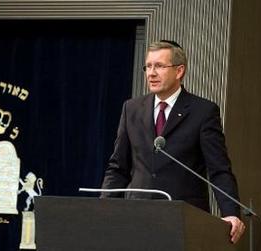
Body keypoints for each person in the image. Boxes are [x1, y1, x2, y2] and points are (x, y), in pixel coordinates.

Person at [101, 40, 245, 243]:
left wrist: (231, 212)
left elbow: (219, 169)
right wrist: (102, 209)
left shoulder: (203, 112)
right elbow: (118, 167)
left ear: (179, 71)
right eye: (148, 66)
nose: (151, 73)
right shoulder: (131, 108)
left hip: (184, 221)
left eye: (159, 66)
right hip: (136, 218)